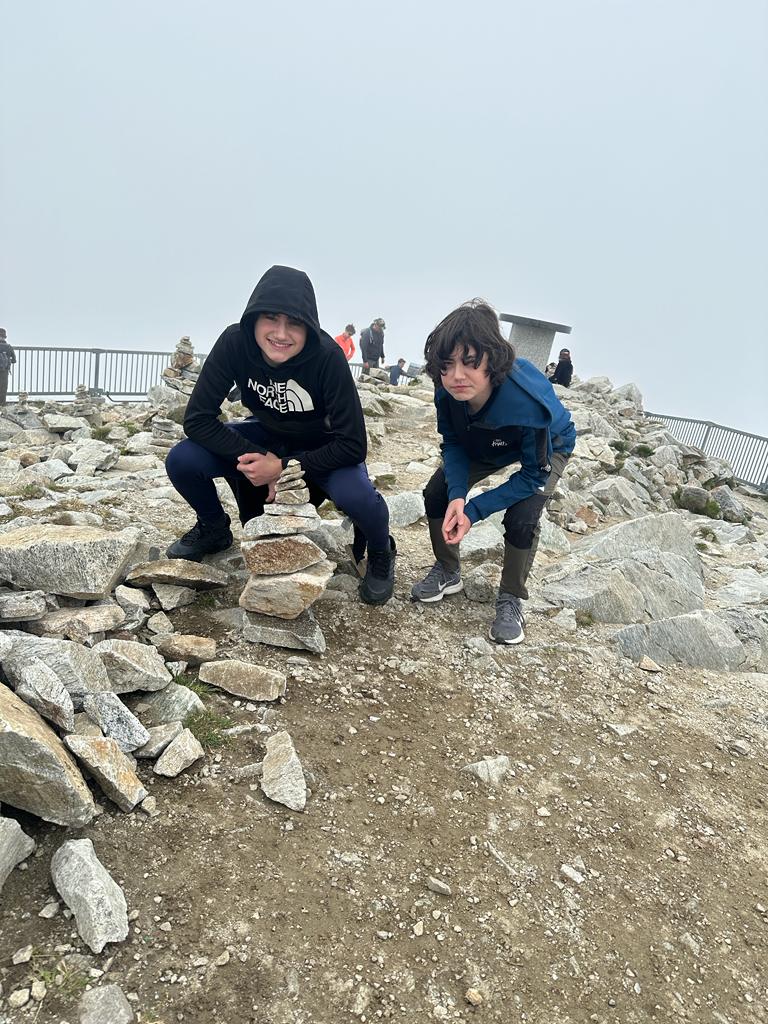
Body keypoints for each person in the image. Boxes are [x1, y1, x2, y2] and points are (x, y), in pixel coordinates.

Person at [164, 265, 396, 605]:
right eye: (271, 318)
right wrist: (256, 456)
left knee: (358, 497)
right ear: (253, 318)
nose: (281, 333)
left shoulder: (327, 358)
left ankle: (379, 550)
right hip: (265, 436)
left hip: (322, 445)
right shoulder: (235, 342)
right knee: (182, 459)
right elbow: (198, 419)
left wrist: (283, 467)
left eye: (295, 323)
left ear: (309, 327)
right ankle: (213, 528)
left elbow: (353, 444)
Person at [411, 300, 576, 645]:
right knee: (437, 492)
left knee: (523, 515)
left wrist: (472, 510)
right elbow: (453, 443)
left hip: (547, 442)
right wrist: (458, 496)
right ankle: (448, 569)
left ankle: (511, 596)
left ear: (492, 360)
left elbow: (532, 475)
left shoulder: (527, 403)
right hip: (484, 438)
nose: (457, 375)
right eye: (447, 364)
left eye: (470, 362)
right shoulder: (448, 389)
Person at [0, 329, 16, 407]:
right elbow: (14, 360)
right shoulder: (9, 347)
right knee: (3, 387)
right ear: (5, 337)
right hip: (4, 370)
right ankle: (2, 405)